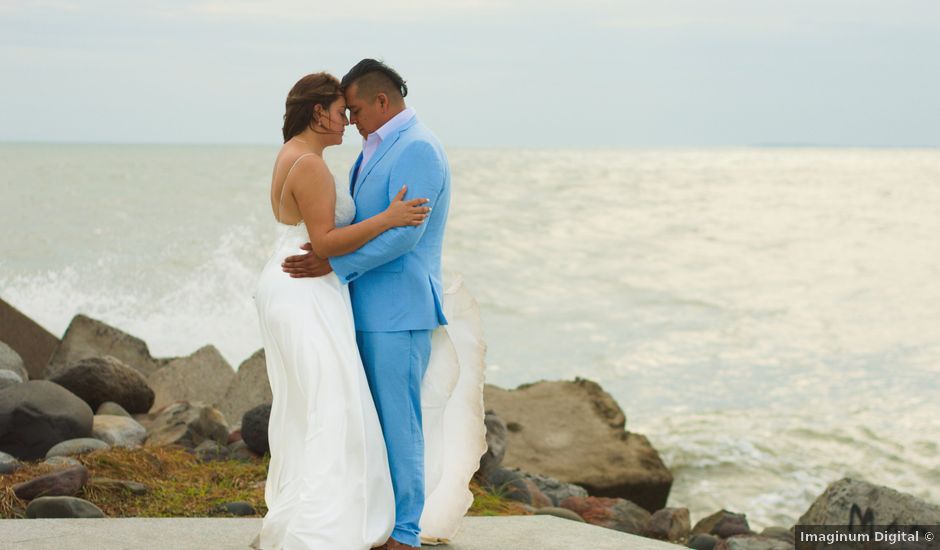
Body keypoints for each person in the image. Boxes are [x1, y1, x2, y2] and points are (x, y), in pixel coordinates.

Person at [279, 59, 486, 549]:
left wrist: (336, 267)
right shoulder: (373, 149)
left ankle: (407, 533)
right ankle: (376, 520)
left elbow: (403, 238)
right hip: (364, 307)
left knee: (400, 424)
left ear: (381, 101)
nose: (349, 120)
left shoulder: (418, 150)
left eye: (353, 110)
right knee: (370, 426)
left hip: (400, 310)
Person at [253, 71, 427, 549]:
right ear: (318, 113)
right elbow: (325, 242)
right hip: (306, 286)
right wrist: (389, 218)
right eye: (339, 111)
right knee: (333, 405)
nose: (347, 121)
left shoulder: (292, 154)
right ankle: (322, 526)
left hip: (293, 281)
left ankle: (312, 514)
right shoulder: (308, 164)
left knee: (311, 405)